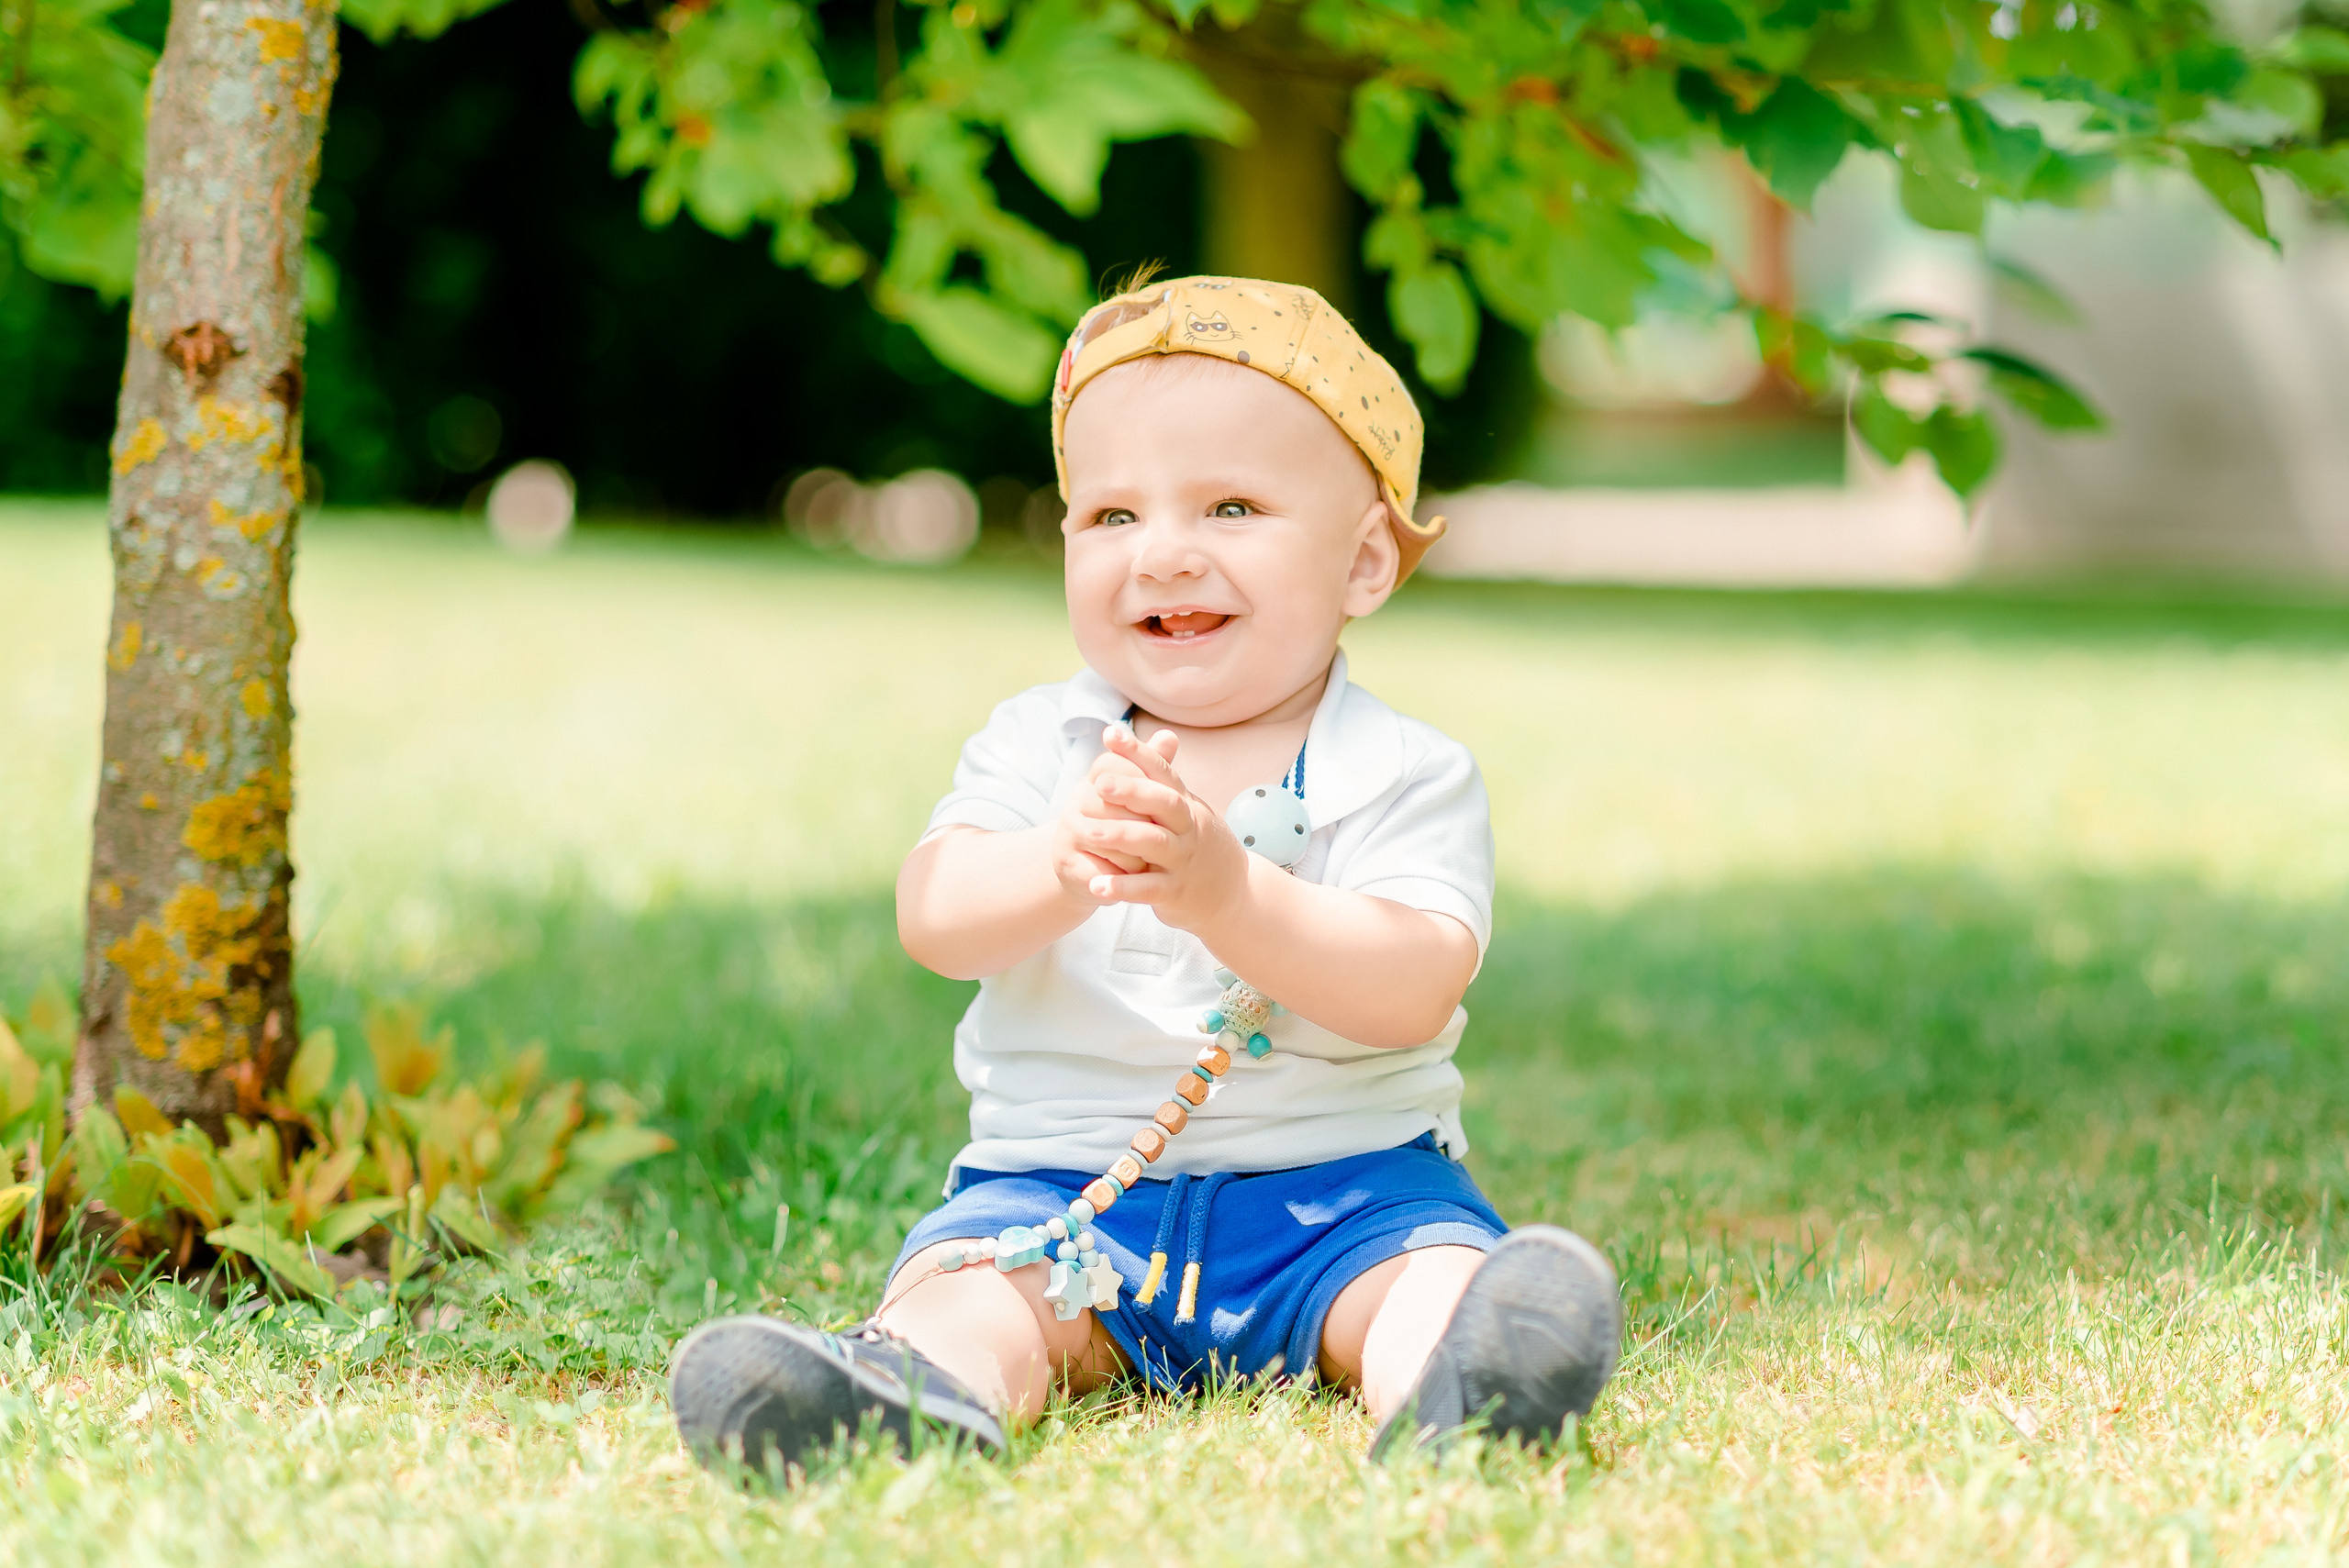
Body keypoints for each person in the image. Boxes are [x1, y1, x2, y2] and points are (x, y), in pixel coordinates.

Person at [669, 274, 1621, 1472]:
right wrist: (1056, 863)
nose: (1163, 554)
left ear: (1365, 562)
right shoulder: (1042, 745)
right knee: (978, 1290)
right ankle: (900, 1396)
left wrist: (1229, 895)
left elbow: (1412, 984)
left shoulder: (1402, 770)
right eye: (1111, 516)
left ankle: (1463, 1385)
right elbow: (937, 918)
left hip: (1341, 1196)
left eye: (1229, 506)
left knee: (1427, 1273)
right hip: (1063, 1195)